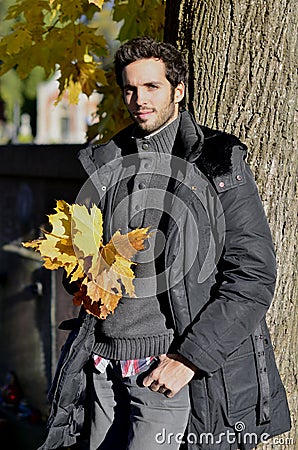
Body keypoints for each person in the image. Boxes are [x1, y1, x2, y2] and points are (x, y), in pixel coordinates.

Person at [39, 37, 291, 450]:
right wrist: (85, 277)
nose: (139, 99)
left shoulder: (217, 161)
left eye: (152, 86)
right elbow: (82, 270)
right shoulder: (107, 163)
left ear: (178, 90)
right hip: (102, 367)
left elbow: (253, 275)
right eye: (130, 88)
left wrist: (189, 359)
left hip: (163, 371)